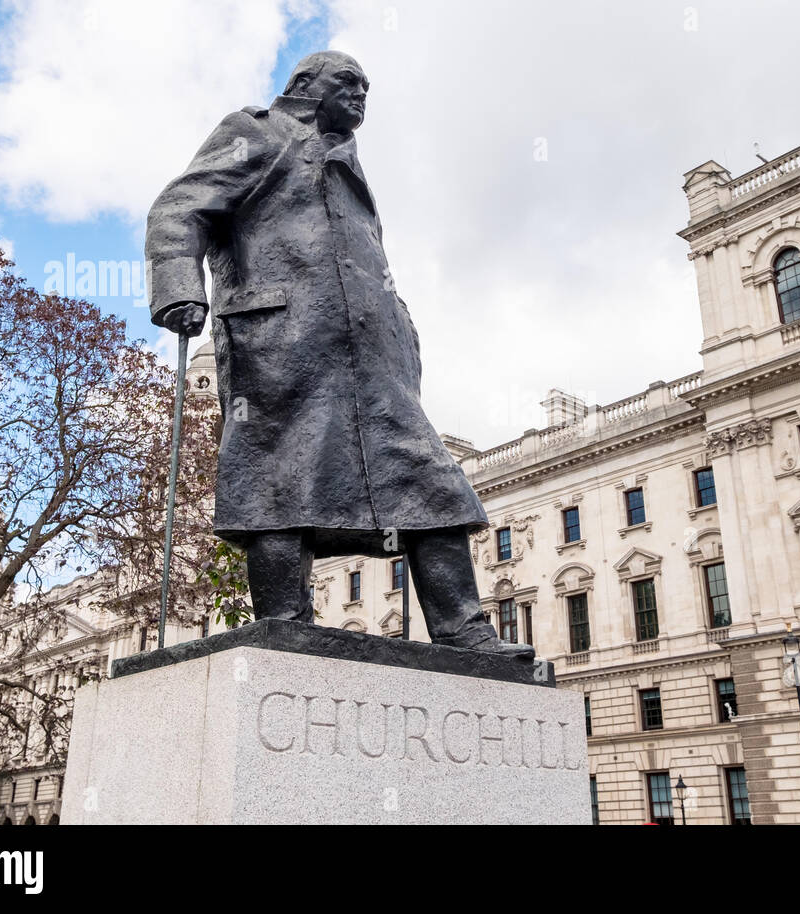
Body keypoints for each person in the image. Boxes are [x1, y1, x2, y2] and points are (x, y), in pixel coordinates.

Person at [146, 51, 531, 660]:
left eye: (367, 87)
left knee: (429, 479)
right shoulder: (255, 131)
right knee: (278, 478)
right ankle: (284, 620)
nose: (360, 95)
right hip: (281, 340)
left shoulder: (348, 161)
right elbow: (178, 208)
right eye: (347, 83)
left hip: (374, 356)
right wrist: (178, 288)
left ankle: (463, 630)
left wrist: (402, 330)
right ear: (304, 85)